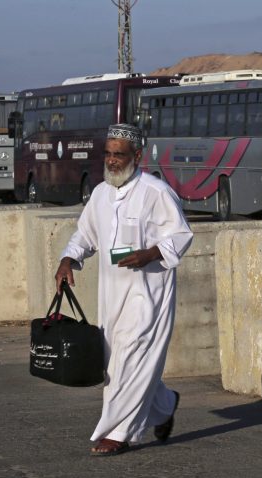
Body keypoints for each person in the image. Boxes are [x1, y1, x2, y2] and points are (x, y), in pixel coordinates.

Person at [54, 123, 193, 456]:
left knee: (127, 360)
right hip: (112, 296)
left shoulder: (155, 192)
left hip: (148, 294)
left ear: (137, 156)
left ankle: (118, 432)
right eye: (108, 154)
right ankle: (163, 404)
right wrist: (67, 260)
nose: (112, 161)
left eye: (119, 155)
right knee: (117, 359)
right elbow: (84, 236)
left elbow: (181, 236)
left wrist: (150, 253)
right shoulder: (101, 193)